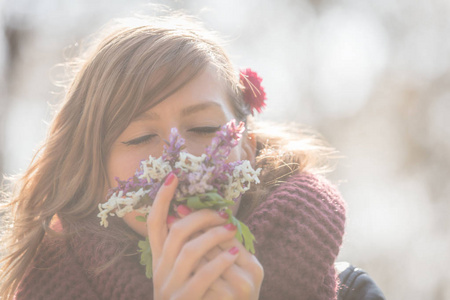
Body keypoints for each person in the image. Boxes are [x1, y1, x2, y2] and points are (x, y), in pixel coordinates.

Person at [0, 13, 347, 299]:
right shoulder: (48, 286)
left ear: (246, 148)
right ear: (95, 171)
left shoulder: (354, 291)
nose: (177, 163)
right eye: (140, 137)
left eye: (203, 129)